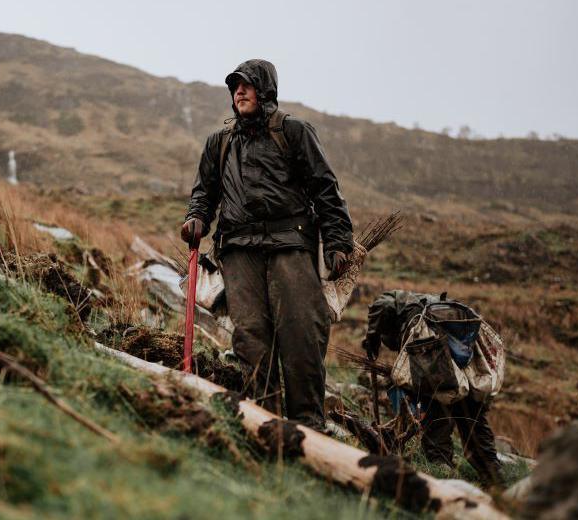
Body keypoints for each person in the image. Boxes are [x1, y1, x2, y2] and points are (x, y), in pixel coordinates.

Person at [181, 59, 353, 430]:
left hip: (290, 243)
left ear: (266, 90)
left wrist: (338, 241)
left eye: (247, 85)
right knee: (251, 336)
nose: (239, 92)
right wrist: (196, 218)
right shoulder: (219, 143)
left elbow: (325, 188)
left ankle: (308, 423)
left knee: (301, 332)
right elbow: (204, 193)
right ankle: (264, 420)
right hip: (239, 249)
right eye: (234, 86)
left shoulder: (293, 131)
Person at [363, 290, 503, 485]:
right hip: (464, 343)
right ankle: (494, 476)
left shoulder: (394, 299)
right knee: (471, 411)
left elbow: (382, 305)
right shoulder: (433, 303)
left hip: (430, 343)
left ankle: (441, 470)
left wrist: (372, 336)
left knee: (436, 403)